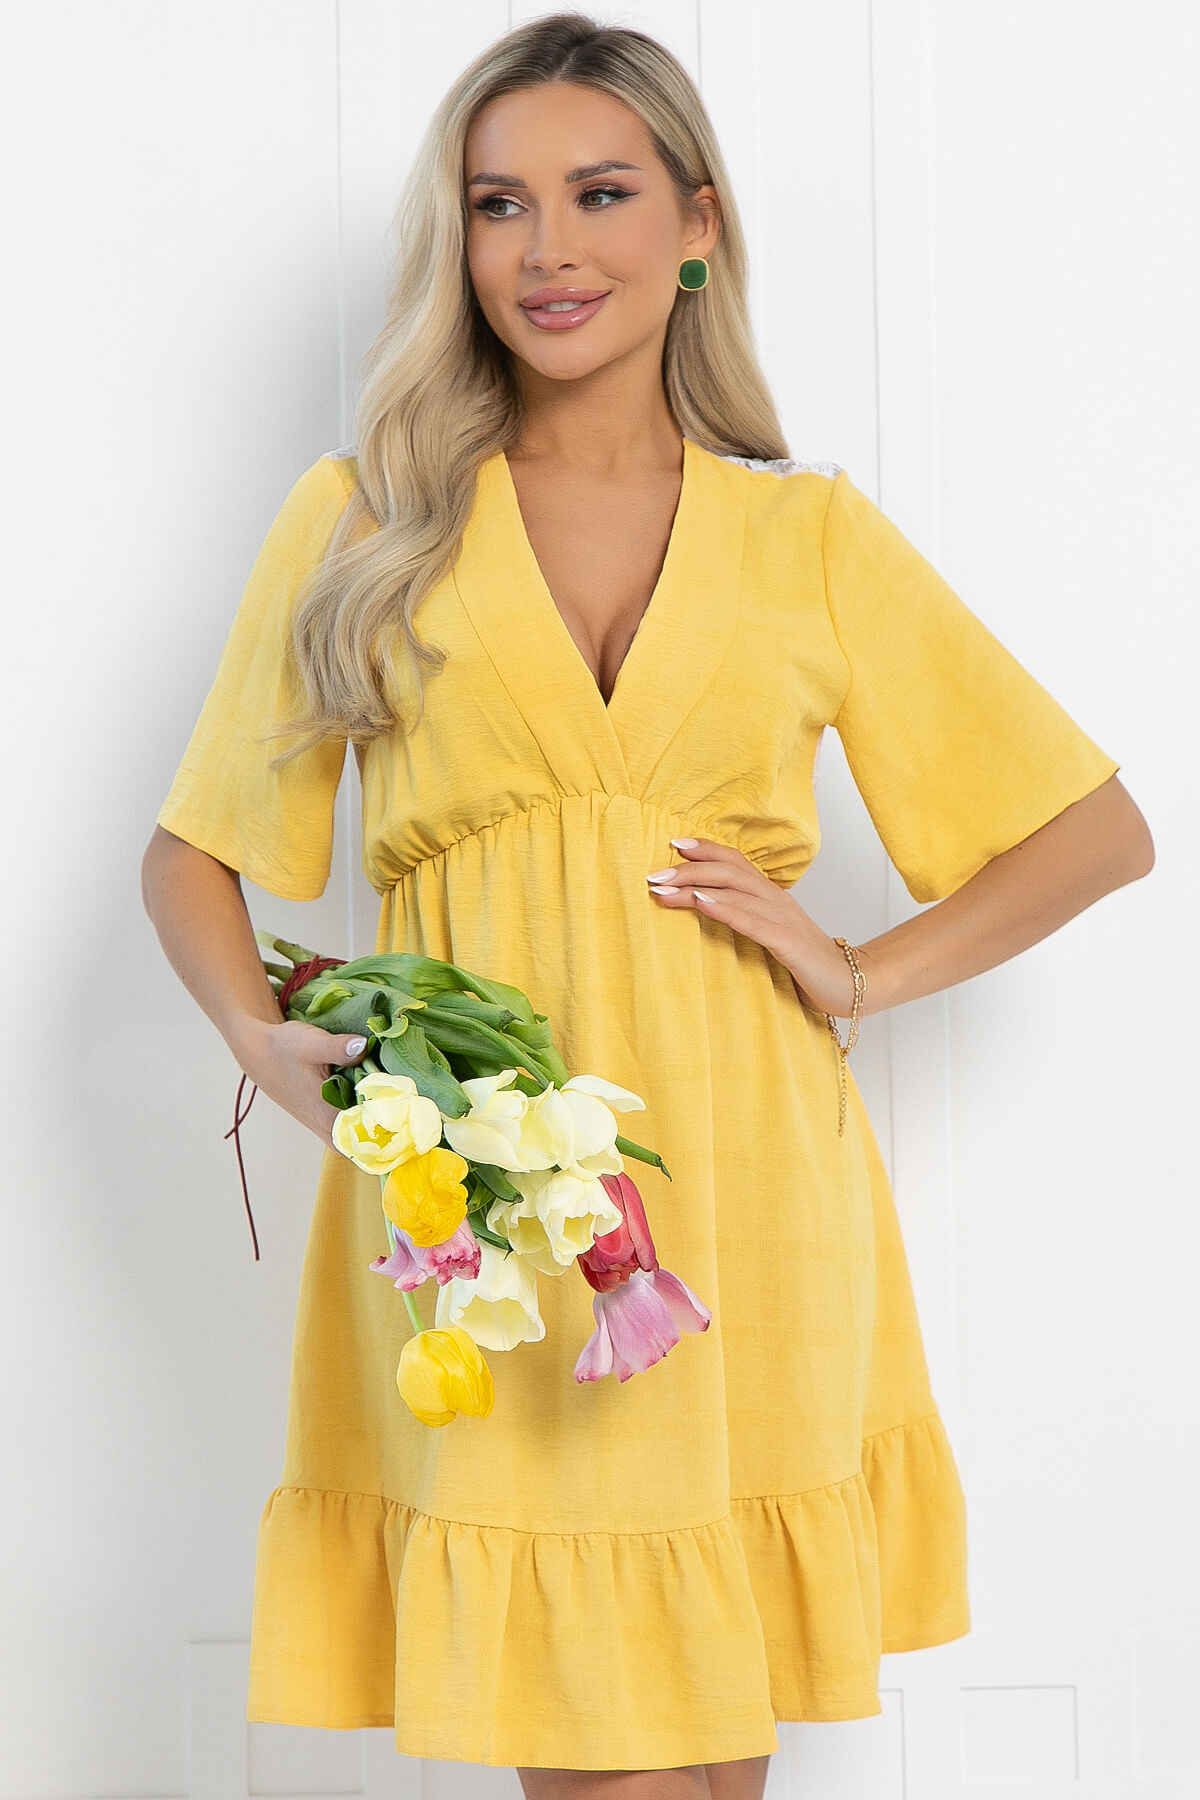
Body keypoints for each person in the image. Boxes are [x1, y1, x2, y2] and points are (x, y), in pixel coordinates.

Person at [140, 13, 1154, 1800]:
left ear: (696, 224)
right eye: (498, 203)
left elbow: (1092, 830)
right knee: (606, 1753)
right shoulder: (367, 519)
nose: (546, 247)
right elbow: (197, 852)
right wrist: (257, 1039)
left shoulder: (807, 537)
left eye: (599, 194)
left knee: (703, 1756)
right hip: (489, 1205)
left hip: (751, 1198)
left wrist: (856, 971)